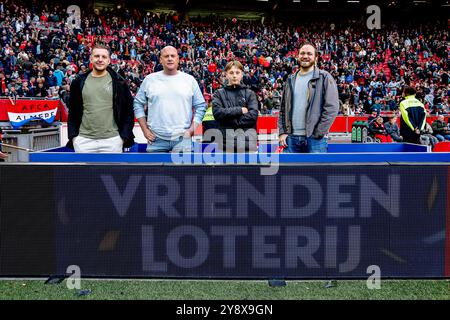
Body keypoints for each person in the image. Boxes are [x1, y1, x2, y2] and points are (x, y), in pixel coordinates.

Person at [133, 46, 206, 153]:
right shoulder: (150, 80)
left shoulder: (189, 80)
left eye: (173, 56)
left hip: (183, 138)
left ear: (178, 59)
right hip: (156, 139)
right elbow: (138, 104)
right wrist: (144, 130)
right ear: (160, 60)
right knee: (155, 170)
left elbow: (201, 106)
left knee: (184, 170)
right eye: (166, 56)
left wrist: (191, 130)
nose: (170, 58)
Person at [67, 44, 135, 152]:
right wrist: (74, 137)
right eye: (97, 56)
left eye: (104, 57)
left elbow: (128, 111)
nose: (100, 59)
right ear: (91, 58)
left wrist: (122, 137)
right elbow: (73, 111)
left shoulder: (119, 82)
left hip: (113, 140)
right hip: (84, 140)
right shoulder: (78, 82)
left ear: (109, 61)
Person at [278, 43, 339, 153]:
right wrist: (282, 132)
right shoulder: (290, 80)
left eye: (309, 54)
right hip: (291, 139)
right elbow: (283, 109)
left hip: (315, 140)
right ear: (298, 56)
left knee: (316, 170)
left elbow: (332, 108)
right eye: (302, 53)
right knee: (288, 170)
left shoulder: (324, 77)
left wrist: (318, 133)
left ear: (316, 58)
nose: (305, 56)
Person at [212, 60, 258, 152]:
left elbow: (253, 116)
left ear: (242, 74)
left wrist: (228, 120)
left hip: (247, 145)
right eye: (231, 72)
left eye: (237, 72)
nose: (234, 76)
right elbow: (217, 113)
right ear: (226, 74)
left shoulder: (250, 94)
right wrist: (240, 110)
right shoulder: (218, 93)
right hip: (225, 145)